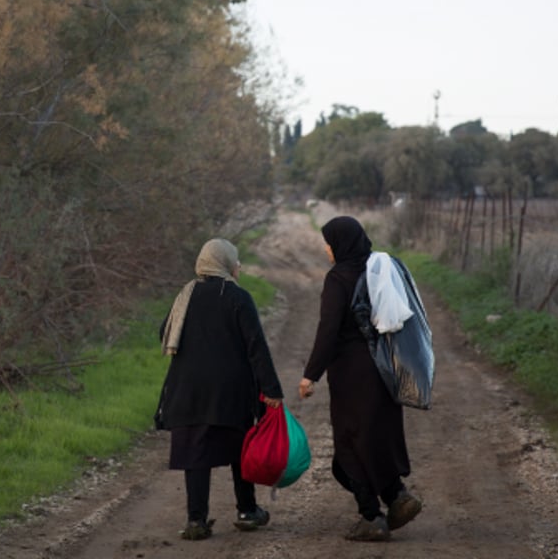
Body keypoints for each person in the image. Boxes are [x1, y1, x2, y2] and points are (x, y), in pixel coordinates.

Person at [298, 215, 423, 541]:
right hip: (384, 367)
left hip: (352, 375)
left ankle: (371, 516)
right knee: (378, 434)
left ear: (339, 243)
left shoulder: (338, 278)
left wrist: (310, 375)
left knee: (351, 442)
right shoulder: (379, 269)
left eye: (328, 242)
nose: (326, 249)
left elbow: (328, 331)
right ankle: (397, 497)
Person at [156, 237, 284, 541]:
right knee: (240, 449)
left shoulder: (185, 295)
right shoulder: (238, 297)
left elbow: (164, 332)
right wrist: (272, 390)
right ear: (225, 263)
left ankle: (196, 521)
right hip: (231, 391)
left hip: (187, 390)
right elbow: (257, 348)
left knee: (195, 454)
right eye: (235, 261)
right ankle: (247, 511)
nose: (238, 266)